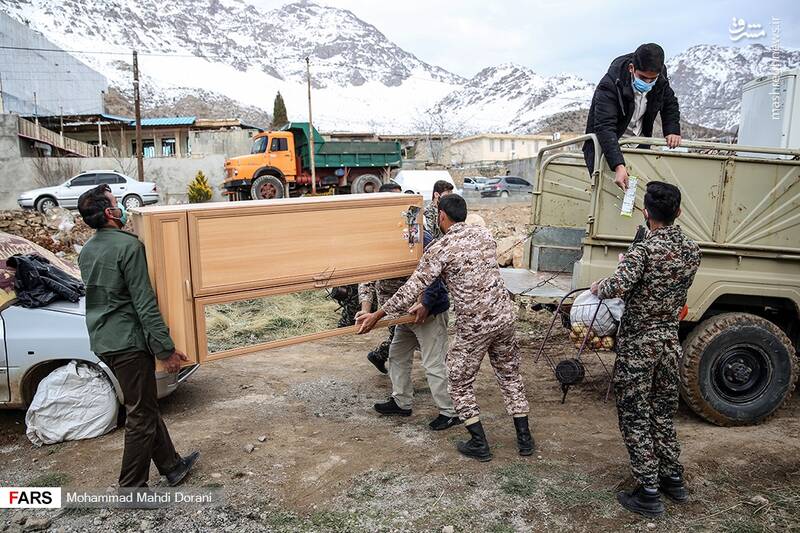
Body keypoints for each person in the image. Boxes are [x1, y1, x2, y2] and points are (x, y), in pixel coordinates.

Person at [357, 194, 532, 461]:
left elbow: (412, 288)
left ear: (441, 216)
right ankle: (525, 440)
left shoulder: (442, 248)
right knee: (510, 376)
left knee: (459, 381)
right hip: (505, 318)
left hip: (476, 325)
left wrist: (377, 315)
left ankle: (479, 443)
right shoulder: (484, 235)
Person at [77, 184, 199, 489]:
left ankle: (172, 466)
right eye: (117, 204)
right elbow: (144, 303)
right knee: (140, 414)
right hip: (127, 343)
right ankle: (131, 488)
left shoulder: (88, 250)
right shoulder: (128, 247)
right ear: (109, 213)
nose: (122, 209)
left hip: (104, 340)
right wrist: (165, 349)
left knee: (143, 404)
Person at [590, 181, 701, 517]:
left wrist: (600, 284)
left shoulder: (644, 251)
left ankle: (648, 491)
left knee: (635, 414)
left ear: (646, 212)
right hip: (669, 343)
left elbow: (618, 286)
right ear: (679, 212)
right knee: (662, 413)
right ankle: (673, 480)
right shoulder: (691, 250)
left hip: (640, 345)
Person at [356, 226, 459, 431]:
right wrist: (365, 310)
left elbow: (434, 277)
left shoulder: (418, 237)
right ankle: (402, 402)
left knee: (433, 364)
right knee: (397, 356)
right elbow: (366, 277)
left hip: (426, 315)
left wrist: (426, 304)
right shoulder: (373, 240)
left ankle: (450, 412)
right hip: (401, 315)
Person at [583, 43, 681, 190]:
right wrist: (618, 165)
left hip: (638, 144)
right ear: (631, 68)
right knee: (608, 194)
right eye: (642, 77)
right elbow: (605, 127)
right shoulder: (610, 85)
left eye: (652, 79)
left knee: (635, 192)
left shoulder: (660, 82)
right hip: (610, 146)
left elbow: (670, 104)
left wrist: (672, 130)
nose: (647, 83)